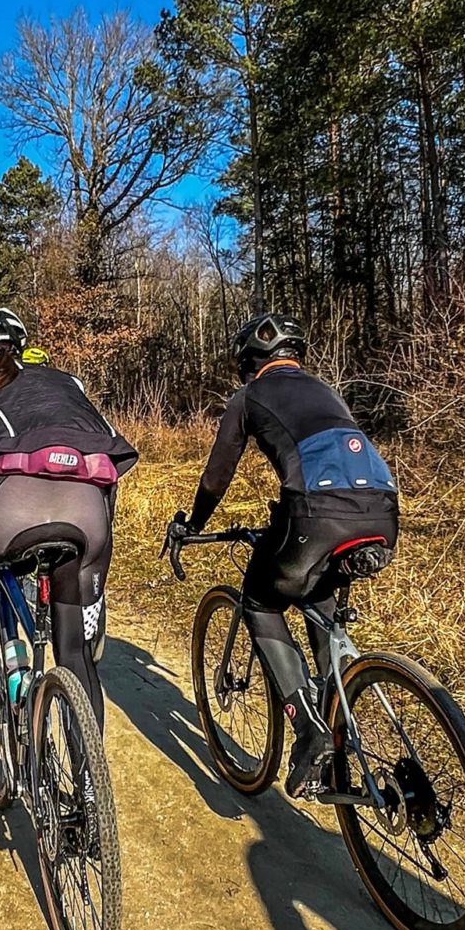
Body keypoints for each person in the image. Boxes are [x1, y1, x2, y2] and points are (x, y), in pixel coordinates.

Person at [180, 313, 399, 798]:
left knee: (261, 600)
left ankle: (308, 729)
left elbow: (217, 474)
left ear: (247, 363)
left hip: (316, 514)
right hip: (381, 509)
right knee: (321, 603)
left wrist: (192, 524)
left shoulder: (249, 396)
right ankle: (339, 717)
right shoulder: (326, 391)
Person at [0, 307, 137, 732]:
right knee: (74, 653)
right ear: (21, 347)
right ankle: (88, 785)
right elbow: (107, 452)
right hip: (87, 514)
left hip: (9, 512)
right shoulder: (66, 383)